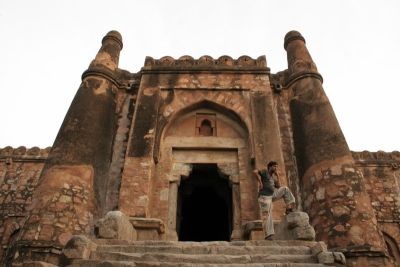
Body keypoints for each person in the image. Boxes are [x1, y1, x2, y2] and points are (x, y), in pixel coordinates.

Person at [254, 161, 296, 240]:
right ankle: (268, 235)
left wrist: (278, 175)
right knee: (267, 215)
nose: (276, 168)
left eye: (276, 166)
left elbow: (279, 186)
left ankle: (288, 208)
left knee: (285, 189)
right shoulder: (265, 172)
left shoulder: (272, 177)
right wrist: (260, 182)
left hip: (272, 195)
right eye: (274, 166)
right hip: (264, 197)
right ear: (270, 167)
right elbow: (255, 171)